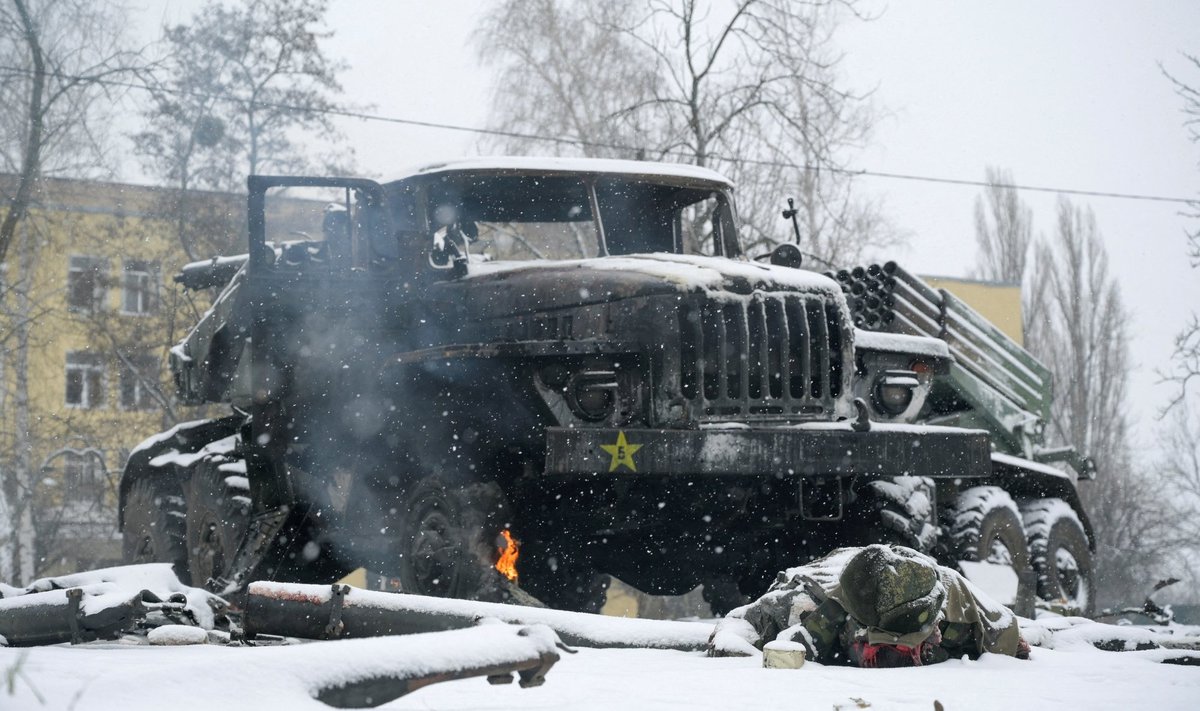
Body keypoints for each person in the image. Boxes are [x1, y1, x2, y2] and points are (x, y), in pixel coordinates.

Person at [708, 544, 1030, 666]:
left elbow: (1009, 635)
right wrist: (737, 649)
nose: (889, 658)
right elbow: (739, 623)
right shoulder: (810, 605)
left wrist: (1014, 646)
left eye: (911, 647)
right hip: (831, 568)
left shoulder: (957, 598)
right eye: (877, 651)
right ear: (856, 628)